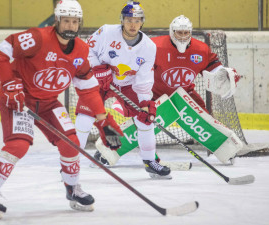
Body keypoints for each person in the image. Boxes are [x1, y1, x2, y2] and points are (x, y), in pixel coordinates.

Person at [0, 0, 123, 220]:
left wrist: (102, 119)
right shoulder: (37, 37)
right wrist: (8, 82)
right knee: (18, 144)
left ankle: (72, 190)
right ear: (57, 20)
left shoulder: (82, 50)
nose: (70, 26)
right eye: (66, 21)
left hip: (48, 103)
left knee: (71, 142)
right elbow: (0, 53)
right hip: (19, 100)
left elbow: (88, 88)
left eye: (75, 21)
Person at [93, 15, 240, 166]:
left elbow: (213, 65)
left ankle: (227, 149)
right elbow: (135, 62)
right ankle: (107, 149)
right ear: (172, 32)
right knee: (143, 121)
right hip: (156, 94)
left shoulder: (201, 49)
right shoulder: (155, 46)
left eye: (186, 33)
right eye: (179, 33)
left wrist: (223, 73)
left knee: (203, 119)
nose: (182, 37)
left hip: (185, 94)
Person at [74, 1, 171, 179]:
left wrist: (144, 102)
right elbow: (86, 50)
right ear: (122, 20)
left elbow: (143, 78)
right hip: (99, 81)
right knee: (85, 118)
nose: (133, 24)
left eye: (137, 20)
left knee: (145, 119)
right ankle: (72, 162)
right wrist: (96, 68)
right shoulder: (106, 32)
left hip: (128, 84)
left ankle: (150, 162)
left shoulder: (149, 47)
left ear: (142, 22)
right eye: (128, 20)